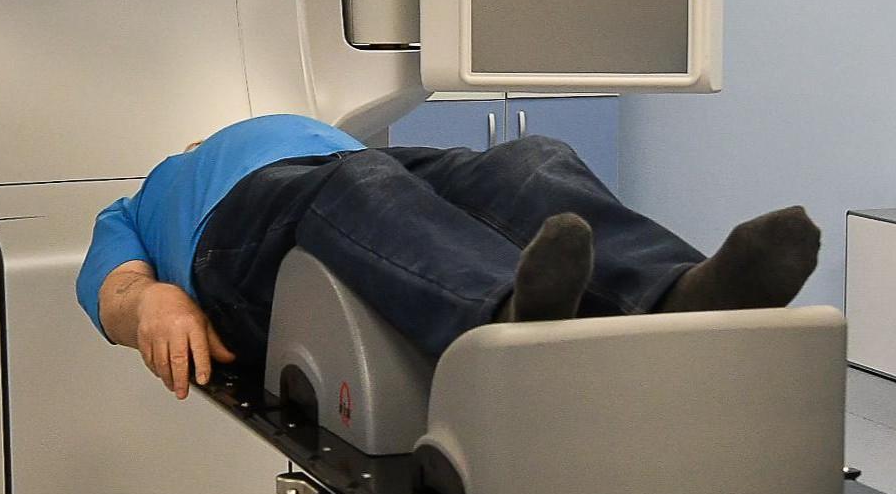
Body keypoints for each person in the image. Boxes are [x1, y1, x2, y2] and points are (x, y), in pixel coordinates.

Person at [76, 118, 820, 398]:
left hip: (362, 168)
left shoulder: (311, 137)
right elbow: (116, 292)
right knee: (361, 187)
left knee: (528, 160)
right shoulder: (137, 205)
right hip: (242, 232)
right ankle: (503, 318)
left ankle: (677, 295)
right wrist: (155, 301)